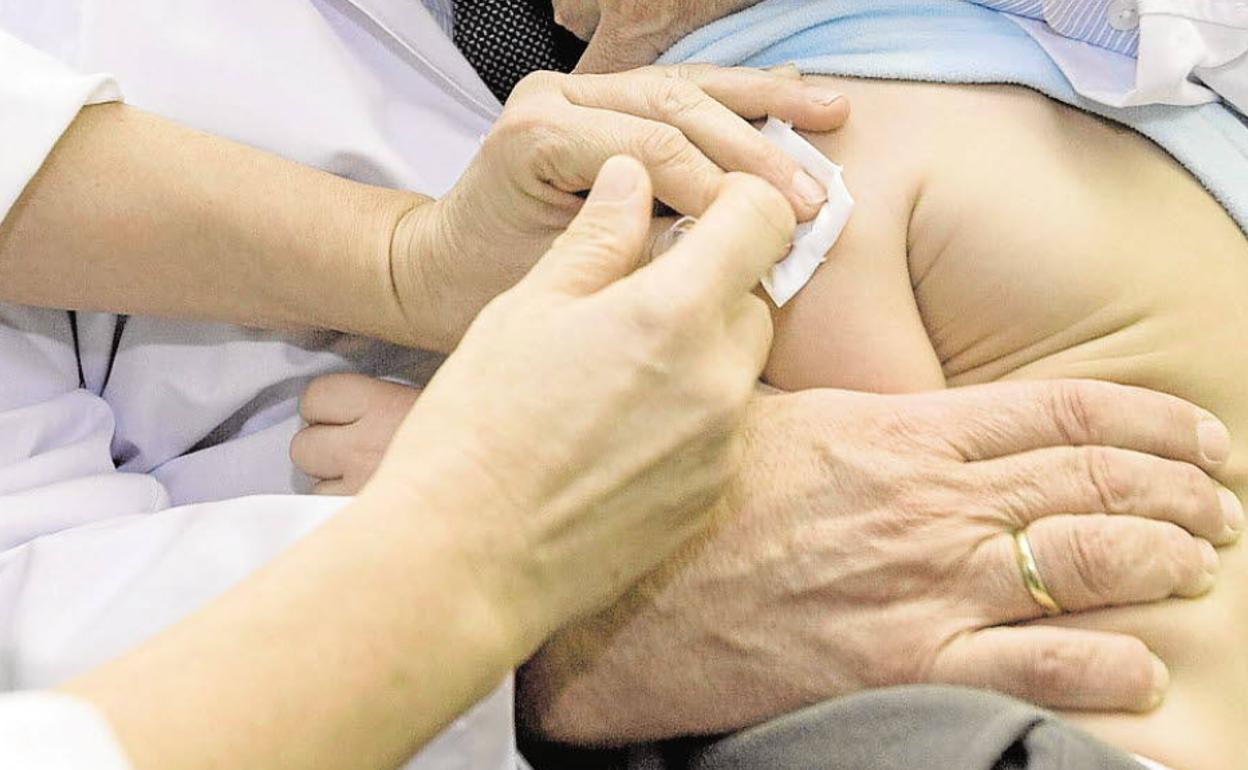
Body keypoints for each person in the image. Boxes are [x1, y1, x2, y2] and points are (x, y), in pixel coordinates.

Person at [0, 1, 1236, 768]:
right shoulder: (1072, 102)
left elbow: (878, 488)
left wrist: (435, 456)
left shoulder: (815, 160)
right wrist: (485, 546)